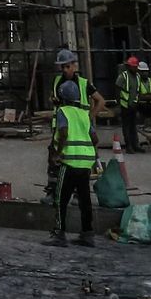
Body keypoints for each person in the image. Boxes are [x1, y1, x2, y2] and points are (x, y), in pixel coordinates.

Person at [51, 79, 96, 247]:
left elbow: (63, 132)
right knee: (85, 200)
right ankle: (87, 233)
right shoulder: (85, 113)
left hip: (69, 161)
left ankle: (59, 233)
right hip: (85, 164)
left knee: (61, 198)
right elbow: (95, 138)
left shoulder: (63, 111)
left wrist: (58, 153)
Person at [113, 56, 144, 153]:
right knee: (126, 126)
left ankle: (135, 145)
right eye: (133, 67)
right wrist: (118, 104)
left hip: (133, 105)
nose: (135, 68)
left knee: (133, 126)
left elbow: (138, 91)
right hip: (125, 105)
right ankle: (128, 146)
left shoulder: (138, 77)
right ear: (129, 67)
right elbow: (117, 89)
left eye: (136, 67)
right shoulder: (123, 76)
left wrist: (137, 103)